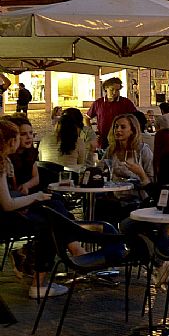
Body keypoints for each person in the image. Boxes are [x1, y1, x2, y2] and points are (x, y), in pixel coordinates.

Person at [0, 119, 80, 298]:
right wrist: (34, 197)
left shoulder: (8, 161)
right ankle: (74, 251)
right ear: (11, 140)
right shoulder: (2, 164)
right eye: (20, 135)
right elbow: (7, 204)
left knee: (53, 207)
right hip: (6, 218)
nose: (27, 138)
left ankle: (41, 277)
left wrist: (30, 196)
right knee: (51, 218)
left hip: (12, 210)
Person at [96, 113, 154, 223]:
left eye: (123, 127)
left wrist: (140, 173)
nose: (118, 130)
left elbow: (151, 181)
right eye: (116, 127)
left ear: (132, 130)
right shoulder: (112, 150)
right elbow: (99, 169)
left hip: (137, 199)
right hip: (115, 197)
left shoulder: (142, 151)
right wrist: (90, 153)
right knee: (96, 204)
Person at [87, 77, 138, 144]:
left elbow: (135, 118)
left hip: (121, 139)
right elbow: (87, 118)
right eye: (112, 89)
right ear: (106, 88)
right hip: (103, 140)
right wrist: (92, 133)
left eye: (117, 90)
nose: (114, 92)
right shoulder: (98, 103)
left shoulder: (126, 102)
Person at [4, 115, 39, 194]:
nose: (29, 137)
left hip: (30, 189)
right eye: (23, 134)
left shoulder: (30, 152)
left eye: (30, 133)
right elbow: (13, 186)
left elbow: (36, 178)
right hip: (15, 194)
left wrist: (26, 185)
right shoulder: (8, 156)